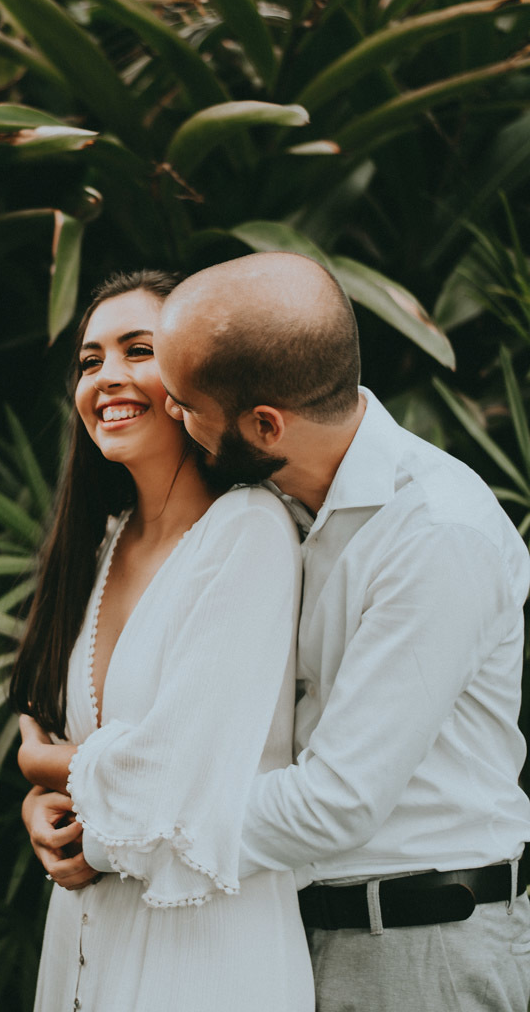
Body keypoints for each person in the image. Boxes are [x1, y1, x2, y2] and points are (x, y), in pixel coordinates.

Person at [147, 251, 530, 1012]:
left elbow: (337, 801)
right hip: (289, 934)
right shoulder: (268, 511)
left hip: (422, 955)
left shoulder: (436, 534)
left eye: (185, 403)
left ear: (264, 425)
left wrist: (133, 834)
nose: (171, 415)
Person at [11, 269, 314, 1011]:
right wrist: (42, 806)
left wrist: (43, 761)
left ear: (192, 377)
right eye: (90, 361)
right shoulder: (101, 544)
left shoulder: (247, 534)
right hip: (87, 942)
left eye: (137, 350)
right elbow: (105, 761)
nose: (107, 377)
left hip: (205, 952)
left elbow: (177, 776)